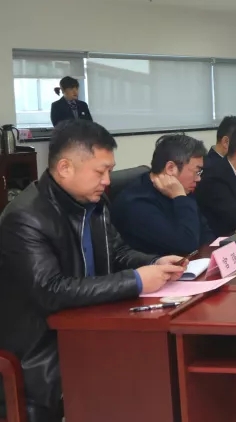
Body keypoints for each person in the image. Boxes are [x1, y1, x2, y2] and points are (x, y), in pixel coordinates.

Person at [0, 120, 185, 422]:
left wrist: (155, 263)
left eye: (110, 171)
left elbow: (118, 252)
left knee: (164, 368)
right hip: (44, 351)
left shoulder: (95, 203)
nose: (107, 181)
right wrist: (136, 281)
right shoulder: (26, 218)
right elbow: (51, 290)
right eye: (100, 172)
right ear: (65, 168)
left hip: (92, 327)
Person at [111, 134, 216, 256]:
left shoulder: (182, 188)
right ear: (170, 168)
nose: (198, 178)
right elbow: (186, 244)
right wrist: (180, 197)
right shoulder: (136, 204)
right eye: (197, 172)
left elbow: (206, 233)